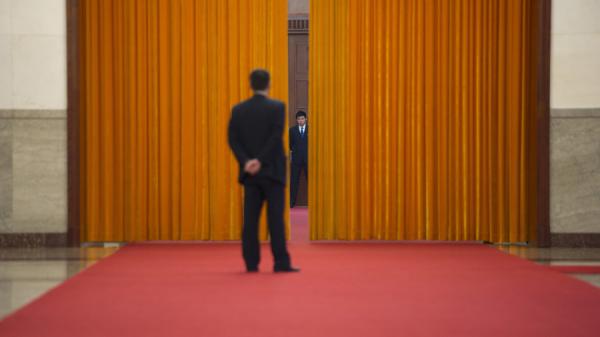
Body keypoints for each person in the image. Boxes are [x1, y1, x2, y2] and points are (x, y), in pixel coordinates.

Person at [227, 69, 300, 273]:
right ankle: (281, 263)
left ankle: (251, 263)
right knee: (275, 219)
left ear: (250, 85)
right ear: (269, 84)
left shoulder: (238, 110)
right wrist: (260, 160)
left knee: (250, 220)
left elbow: (233, 139)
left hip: (250, 174)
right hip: (273, 172)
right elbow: (276, 137)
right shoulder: (277, 107)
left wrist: (247, 161)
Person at [289, 110, 308, 208]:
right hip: (296, 160)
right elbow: (290, 145)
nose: (300, 120)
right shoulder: (292, 130)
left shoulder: (310, 129)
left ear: (306, 119)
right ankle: (291, 202)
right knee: (294, 181)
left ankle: (312, 202)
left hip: (308, 160)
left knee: (310, 181)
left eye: (302, 118)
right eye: (299, 119)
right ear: (296, 120)